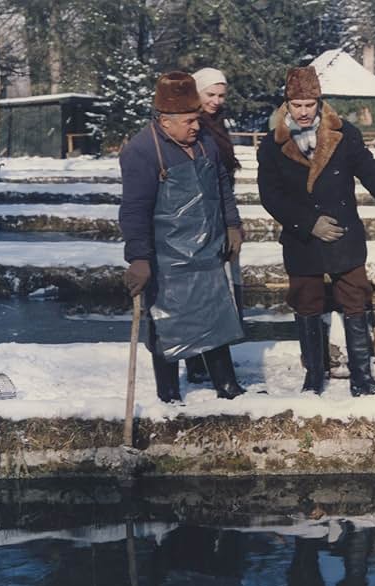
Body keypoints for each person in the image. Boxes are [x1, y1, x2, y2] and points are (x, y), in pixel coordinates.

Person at [257, 65, 375, 397]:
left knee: (355, 298)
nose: (303, 112)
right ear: (287, 104)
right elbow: (270, 195)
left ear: (320, 102)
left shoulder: (345, 134)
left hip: (343, 234)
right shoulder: (272, 145)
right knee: (307, 301)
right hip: (302, 238)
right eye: (297, 105)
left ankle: (362, 375)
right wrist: (307, 222)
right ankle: (314, 375)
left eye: (309, 104)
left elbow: (368, 167)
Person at [119, 71, 246, 402]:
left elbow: (221, 185)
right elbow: (134, 211)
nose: (196, 125)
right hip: (167, 258)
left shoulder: (205, 142)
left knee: (215, 315)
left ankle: (227, 386)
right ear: (164, 122)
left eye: (197, 119)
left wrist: (232, 224)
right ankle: (170, 393)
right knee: (166, 324)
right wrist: (139, 259)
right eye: (189, 120)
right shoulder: (142, 151)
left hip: (207, 250)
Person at [181, 67, 244, 385]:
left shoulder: (216, 125)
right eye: (210, 94)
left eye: (221, 95)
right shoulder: (192, 126)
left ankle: (207, 361)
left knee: (217, 293)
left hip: (221, 216)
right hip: (197, 221)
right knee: (199, 293)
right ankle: (197, 363)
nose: (217, 101)